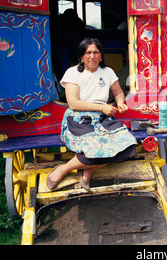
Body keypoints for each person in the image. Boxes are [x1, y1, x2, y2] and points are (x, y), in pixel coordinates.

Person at [47, 38, 137, 191]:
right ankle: (64, 169)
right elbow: (74, 103)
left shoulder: (107, 72)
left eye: (96, 52)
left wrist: (120, 102)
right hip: (79, 119)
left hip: (103, 120)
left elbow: (118, 92)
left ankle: (87, 170)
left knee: (128, 147)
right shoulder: (73, 73)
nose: (92, 56)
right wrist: (102, 108)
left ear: (101, 55)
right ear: (81, 56)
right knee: (94, 148)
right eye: (88, 52)